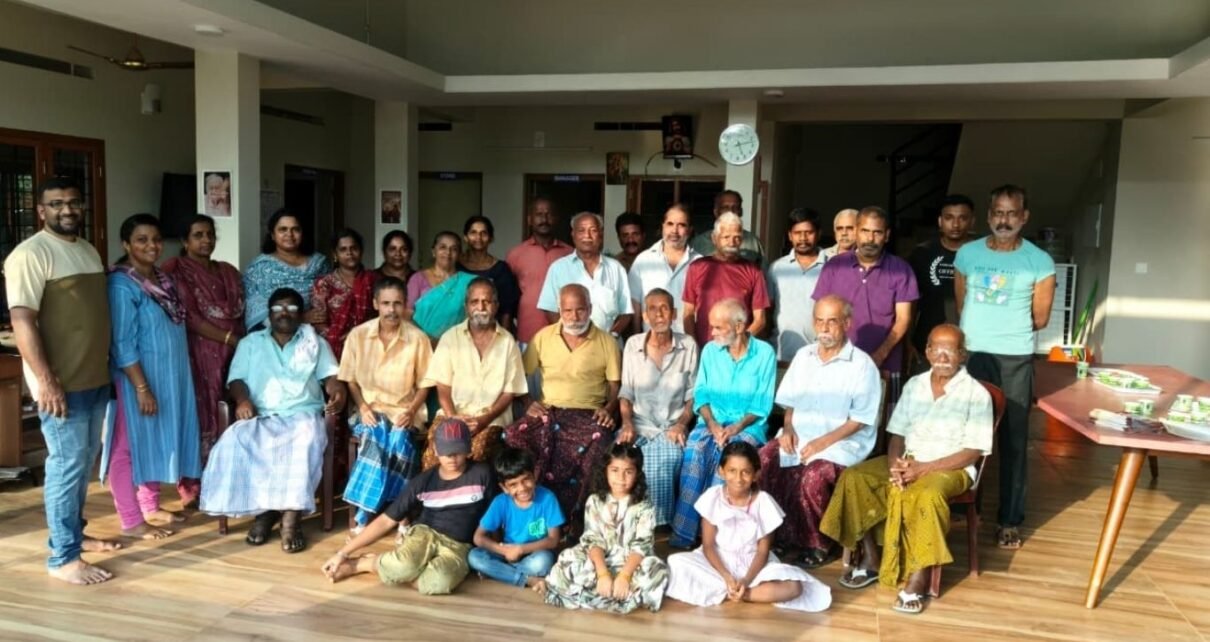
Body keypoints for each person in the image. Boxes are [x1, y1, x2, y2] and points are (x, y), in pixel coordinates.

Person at [820, 324, 992, 615]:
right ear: (927, 351)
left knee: (926, 495)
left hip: (951, 467)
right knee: (855, 478)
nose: (942, 356)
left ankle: (918, 578)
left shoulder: (976, 394)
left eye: (950, 350)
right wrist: (894, 468)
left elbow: (973, 451)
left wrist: (923, 469)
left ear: (963, 354)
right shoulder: (915, 385)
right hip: (908, 461)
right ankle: (871, 559)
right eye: (936, 349)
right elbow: (897, 434)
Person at [5, 178, 122, 584]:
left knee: (82, 465)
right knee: (66, 467)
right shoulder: (30, 254)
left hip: (94, 378)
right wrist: (46, 381)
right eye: (56, 204)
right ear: (41, 211)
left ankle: (75, 534)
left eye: (73, 202)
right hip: (61, 386)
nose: (67, 210)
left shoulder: (87, 249)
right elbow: (22, 321)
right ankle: (63, 557)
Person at [200, 287, 347, 553]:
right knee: (236, 440)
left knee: (305, 441)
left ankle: (290, 520)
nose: (284, 313)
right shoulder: (250, 343)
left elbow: (331, 377)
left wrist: (337, 392)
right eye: (278, 308)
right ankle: (264, 513)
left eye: (291, 308)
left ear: (301, 314)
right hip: (262, 414)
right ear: (269, 314)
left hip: (302, 414)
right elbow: (236, 380)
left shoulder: (315, 342)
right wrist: (243, 400)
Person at [954, 184, 1055, 551]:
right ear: (988, 215)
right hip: (973, 354)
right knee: (966, 434)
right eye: (998, 212)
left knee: (1013, 440)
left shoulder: (1039, 261)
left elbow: (1040, 318)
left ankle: (1009, 520)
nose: (1004, 220)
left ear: (1024, 217)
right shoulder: (967, 254)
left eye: (1012, 213)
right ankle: (965, 509)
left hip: (1014, 357)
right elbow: (962, 303)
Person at [757, 295, 881, 567]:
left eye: (832, 321)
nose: (824, 328)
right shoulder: (804, 356)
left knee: (813, 476)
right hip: (800, 435)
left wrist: (821, 443)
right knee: (765, 460)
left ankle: (820, 543)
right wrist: (787, 428)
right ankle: (779, 536)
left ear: (847, 323)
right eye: (819, 321)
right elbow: (790, 403)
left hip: (841, 443)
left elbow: (859, 421)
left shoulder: (862, 365)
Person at [103, 213, 202, 540]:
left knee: (156, 439)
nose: (151, 246)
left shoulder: (162, 279)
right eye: (142, 240)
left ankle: (150, 505)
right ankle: (131, 520)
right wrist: (142, 387)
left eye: (156, 239)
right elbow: (122, 342)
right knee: (127, 447)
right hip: (137, 380)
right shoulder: (122, 284)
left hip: (168, 377)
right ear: (126, 244)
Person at [321, 419, 494, 596]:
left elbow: (494, 514)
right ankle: (360, 564)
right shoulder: (423, 481)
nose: (451, 458)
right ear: (435, 449)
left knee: (437, 583)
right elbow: (386, 521)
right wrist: (342, 553)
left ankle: (392, 565)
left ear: (468, 448)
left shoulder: (482, 474)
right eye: (446, 451)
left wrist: (492, 551)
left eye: (457, 451)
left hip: (459, 544)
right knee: (404, 566)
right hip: (425, 534)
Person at [504, 284, 621, 529]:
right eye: (568, 311)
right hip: (549, 412)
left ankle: (576, 524)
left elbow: (615, 386)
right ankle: (526, 514)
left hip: (588, 415)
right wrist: (529, 403)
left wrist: (608, 409)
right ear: (559, 310)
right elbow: (519, 376)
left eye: (580, 310)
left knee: (600, 442)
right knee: (514, 434)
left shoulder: (607, 342)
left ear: (590, 309)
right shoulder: (543, 337)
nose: (574, 317)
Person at [665, 442, 832, 612]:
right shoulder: (712, 497)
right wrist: (726, 576)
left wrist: (746, 580)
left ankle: (740, 593)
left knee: (793, 587)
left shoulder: (764, 502)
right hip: (718, 563)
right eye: (732, 471)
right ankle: (731, 589)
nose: (738, 479)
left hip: (754, 565)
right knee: (675, 563)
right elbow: (708, 546)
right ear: (721, 471)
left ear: (756, 474)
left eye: (745, 472)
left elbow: (762, 552)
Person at [669, 299, 776, 549]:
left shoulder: (764, 354)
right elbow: (701, 393)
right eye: (712, 327)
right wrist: (712, 423)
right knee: (695, 451)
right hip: (711, 422)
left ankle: (718, 538)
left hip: (748, 427)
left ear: (739, 327)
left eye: (718, 327)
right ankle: (685, 533)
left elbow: (762, 403)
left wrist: (736, 427)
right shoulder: (710, 351)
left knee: (730, 458)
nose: (712, 333)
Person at [340, 277, 432, 528]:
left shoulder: (417, 338)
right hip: (368, 410)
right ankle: (368, 513)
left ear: (405, 304)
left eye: (397, 303)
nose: (392, 310)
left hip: (404, 410)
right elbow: (350, 380)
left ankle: (396, 515)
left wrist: (411, 410)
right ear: (375, 304)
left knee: (399, 440)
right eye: (386, 303)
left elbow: (425, 383)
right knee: (376, 432)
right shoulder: (358, 336)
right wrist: (363, 407)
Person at [162, 214, 244, 480]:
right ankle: (194, 480)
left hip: (234, 353)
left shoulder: (228, 271)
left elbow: (241, 311)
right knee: (199, 412)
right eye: (198, 235)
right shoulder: (175, 271)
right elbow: (187, 316)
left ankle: (228, 475)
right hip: (196, 352)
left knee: (231, 406)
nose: (206, 240)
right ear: (185, 241)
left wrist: (238, 343)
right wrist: (228, 338)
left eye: (210, 234)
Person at [542, 444, 670, 614]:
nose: (621, 478)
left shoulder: (644, 506)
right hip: (600, 559)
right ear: (605, 471)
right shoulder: (594, 501)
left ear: (637, 474)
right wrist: (602, 574)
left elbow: (641, 545)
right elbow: (593, 539)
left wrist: (624, 576)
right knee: (567, 558)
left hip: (631, 561)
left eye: (628, 472)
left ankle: (601, 593)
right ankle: (614, 593)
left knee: (658, 570)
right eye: (615, 470)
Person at [418, 277, 528, 470]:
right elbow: (443, 386)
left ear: (496, 305)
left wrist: (484, 420)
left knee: (477, 451)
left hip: (491, 420)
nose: (481, 307)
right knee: (435, 456)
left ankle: (473, 490)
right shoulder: (450, 338)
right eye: (474, 302)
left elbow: (509, 392)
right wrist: (453, 417)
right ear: (466, 306)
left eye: (487, 301)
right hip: (452, 414)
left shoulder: (508, 342)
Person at [812, 206, 918, 400]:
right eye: (865, 231)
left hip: (885, 364)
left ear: (887, 235)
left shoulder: (901, 270)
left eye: (877, 232)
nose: (870, 238)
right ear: (856, 232)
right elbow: (821, 313)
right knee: (835, 414)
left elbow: (903, 319)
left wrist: (879, 356)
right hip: (838, 361)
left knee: (882, 415)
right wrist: (829, 352)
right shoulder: (835, 266)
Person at [617, 288, 698, 527]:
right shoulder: (632, 345)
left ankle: (653, 524)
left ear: (674, 314)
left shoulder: (688, 345)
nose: (659, 314)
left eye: (664, 309)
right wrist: (627, 423)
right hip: (639, 424)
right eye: (652, 309)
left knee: (666, 458)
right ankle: (624, 521)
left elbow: (693, 396)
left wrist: (681, 424)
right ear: (644, 316)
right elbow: (626, 392)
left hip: (671, 426)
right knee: (620, 457)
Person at [468, 447, 564, 590]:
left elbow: (553, 540)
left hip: (534, 553)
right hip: (505, 553)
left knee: (544, 562)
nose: (522, 488)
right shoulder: (500, 502)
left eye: (526, 480)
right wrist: (505, 551)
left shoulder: (547, 498)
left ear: (534, 476)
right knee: (474, 556)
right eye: (513, 485)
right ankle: (526, 579)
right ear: (504, 488)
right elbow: (478, 537)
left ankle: (500, 573)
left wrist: (520, 549)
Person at [537, 212, 633, 337]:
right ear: (573, 235)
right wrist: (570, 336)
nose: (587, 235)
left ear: (601, 235)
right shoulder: (558, 269)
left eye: (593, 230)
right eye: (581, 230)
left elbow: (626, 312)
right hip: (570, 344)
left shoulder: (616, 268)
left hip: (608, 343)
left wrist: (611, 337)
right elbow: (550, 309)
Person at [681, 212, 770, 347]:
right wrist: (694, 347)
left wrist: (738, 344)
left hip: (739, 351)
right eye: (726, 237)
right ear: (714, 238)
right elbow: (688, 313)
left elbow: (760, 320)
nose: (731, 243)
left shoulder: (753, 271)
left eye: (737, 238)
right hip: (704, 349)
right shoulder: (696, 268)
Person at [909, 194, 975, 371]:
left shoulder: (981, 255)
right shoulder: (922, 253)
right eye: (949, 218)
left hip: (970, 342)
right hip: (927, 340)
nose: (955, 224)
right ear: (940, 221)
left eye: (962, 218)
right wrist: (908, 340)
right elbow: (911, 301)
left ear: (972, 222)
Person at [242, 208, 330, 330]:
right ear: (273, 235)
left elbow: (331, 300)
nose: (289, 234)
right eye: (283, 229)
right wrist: (300, 318)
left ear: (302, 233)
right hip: (275, 333)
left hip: (317, 330)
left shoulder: (319, 263)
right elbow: (257, 312)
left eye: (295, 229)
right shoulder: (259, 268)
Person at [505, 197, 573, 345]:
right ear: (529, 220)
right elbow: (507, 297)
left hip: (565, 334)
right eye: (539, 214)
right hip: (528, 332)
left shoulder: (570, 254)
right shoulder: (516, 254)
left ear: (556, 219)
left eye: (549, 214)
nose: (544, 219)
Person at [627, 203, 701, 334]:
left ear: (690, 230)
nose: (674, 231)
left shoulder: (699, 263)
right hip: (651, 340)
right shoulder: (643, 260)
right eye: (670, 224)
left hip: (687, 340)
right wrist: (638, 338)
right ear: (663, 226)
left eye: (681, 225)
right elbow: (635, 305)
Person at [767, 207, 829, 362]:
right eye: (797, 233)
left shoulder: (831, 267)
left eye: (809, 232)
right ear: (790, 235)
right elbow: (767, 312)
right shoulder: (777, 268)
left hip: (820, 356)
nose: (803, 238)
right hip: (782, 355)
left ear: (819, 233)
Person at [309, 228, 378, 360]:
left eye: (354, 248)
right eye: (343, 249)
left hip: (370, 345)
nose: (349, 253)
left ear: (361, 251)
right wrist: (338, 338)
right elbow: (318, 322)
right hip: (334, 348)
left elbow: (381, 315)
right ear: (335, 254)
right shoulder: (324, 284)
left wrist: (358, 335)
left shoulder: (373, 280)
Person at [408, 230, 477, 342]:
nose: (448, 253)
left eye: (454, 249)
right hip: (420, 343)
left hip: (456, 344)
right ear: (433, 251)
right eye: (442, 247)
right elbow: (406, 315)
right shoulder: (417, 279)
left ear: (459, 254)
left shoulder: (468, 282)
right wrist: (429, 340)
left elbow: (474, 317)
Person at [459, 215, 520, 331]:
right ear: (465, 237)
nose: (478, 237)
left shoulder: (501, 269)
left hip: (492, 331)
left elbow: (507, 309)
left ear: (491, 238)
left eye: (483, 233)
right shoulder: (457, 267)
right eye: (473, 233)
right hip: (460, 331)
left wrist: (503, 335)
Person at [689, 190, 766, 265]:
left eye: (735, 207)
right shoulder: (699, 243)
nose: (730, 211)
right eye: (725, 207)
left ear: (741, 211)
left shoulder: (753, 242)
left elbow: (762, 271)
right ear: (716, 212)